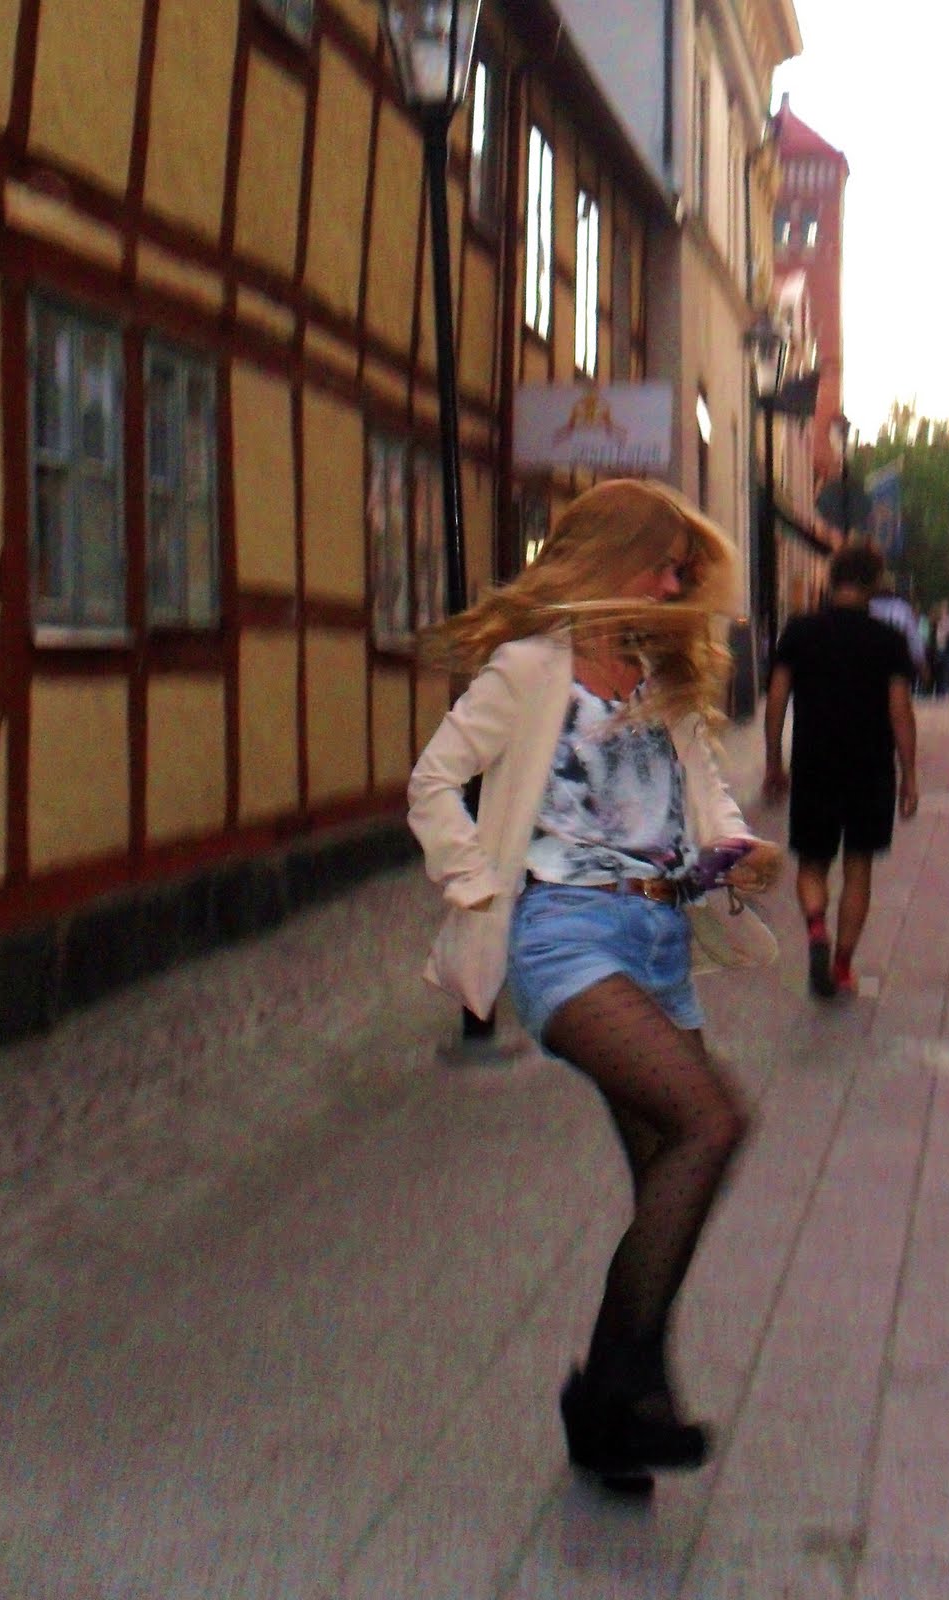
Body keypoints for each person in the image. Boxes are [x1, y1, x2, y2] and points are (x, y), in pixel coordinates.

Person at [407, 479, 783, 1488]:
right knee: (711, 1123)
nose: (671, 584)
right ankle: (608, 1391)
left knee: (667, 1175)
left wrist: (736, 851)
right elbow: (434, 780)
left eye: (679, 571)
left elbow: (704, 796)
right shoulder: (531, 668)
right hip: (564, 937)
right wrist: (475, 882)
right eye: (661, 564)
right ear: (614, 557)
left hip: (659, 937)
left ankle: (627, 1412)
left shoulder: (659, 675)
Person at [763, 541, 918, 997]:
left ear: (832, 580)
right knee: (858, 867)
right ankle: (844, 966)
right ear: (874, 583)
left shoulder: (799, 631)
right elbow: (900, 711)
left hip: (815, 763)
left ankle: (816, 927)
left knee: (812, 862)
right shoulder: (888, 640)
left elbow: (777, 698)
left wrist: (774, 761)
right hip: (870, 768)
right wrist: (909, 774)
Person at [870, 572, 928, 688]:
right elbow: (914, 641)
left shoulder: (866, 606)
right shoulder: (901, 608)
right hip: (894, 666)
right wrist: (923, 668)